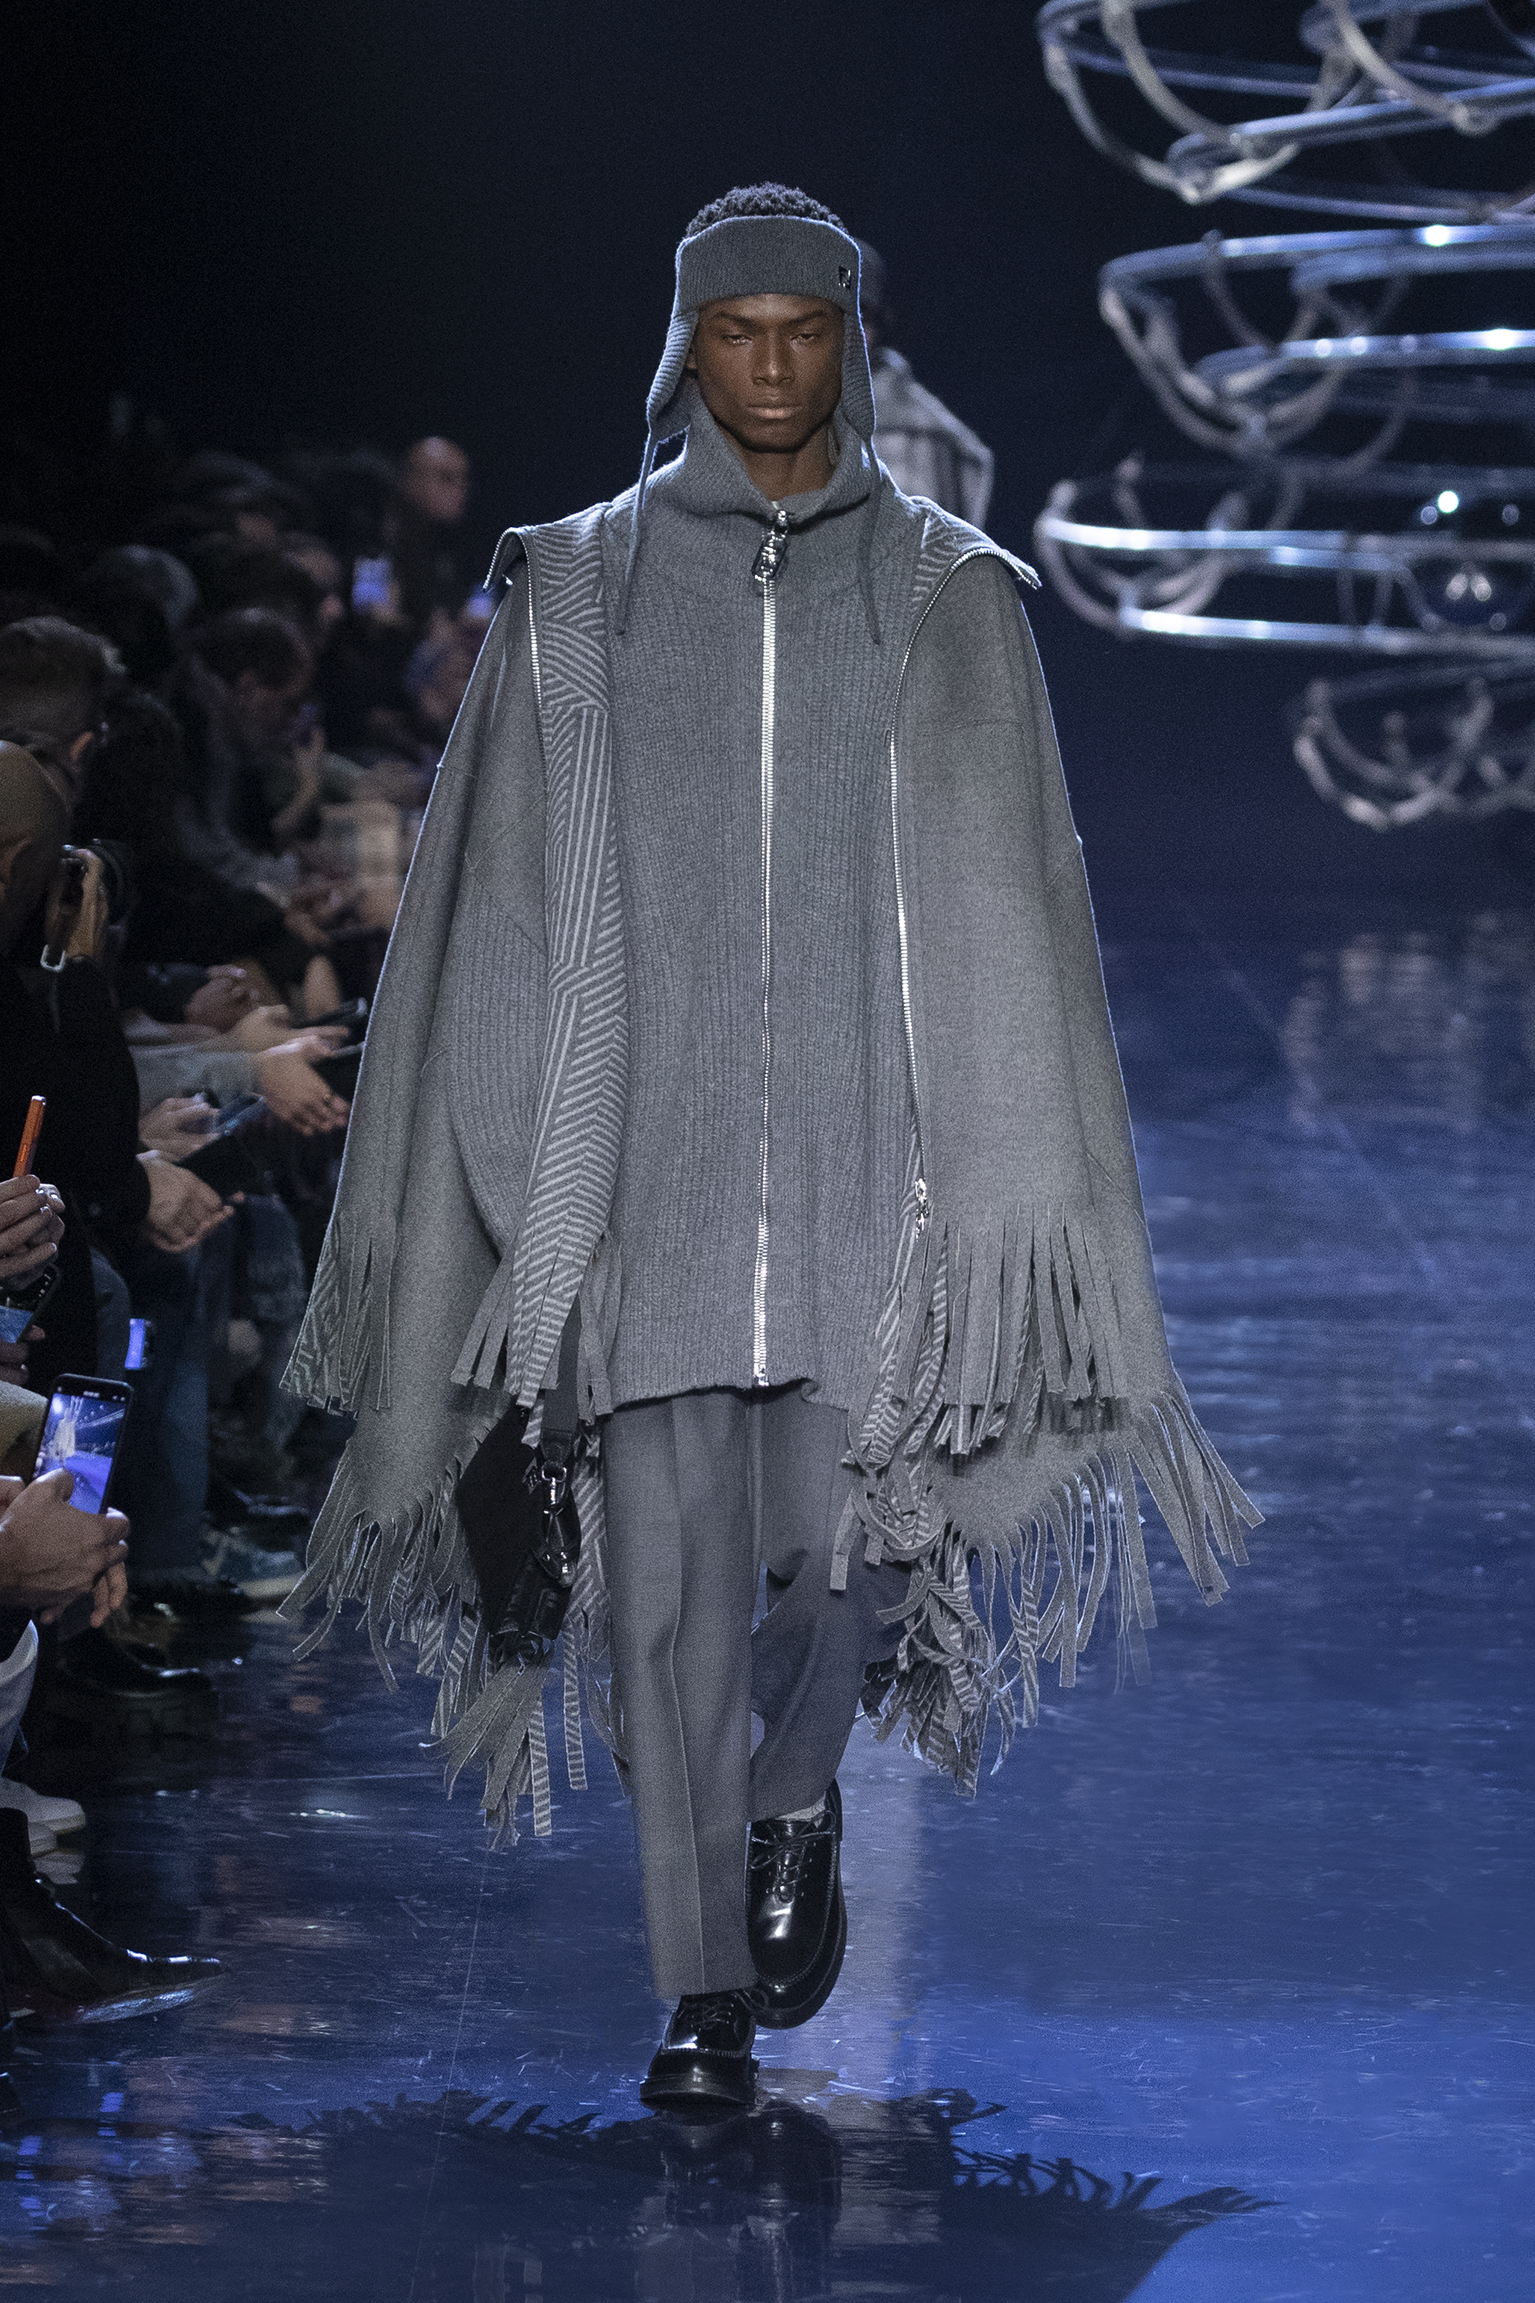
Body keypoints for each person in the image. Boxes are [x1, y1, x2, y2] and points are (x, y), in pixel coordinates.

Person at [283, 184, 1257, 2112]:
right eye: (738, 332)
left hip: (869, 1183)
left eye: (806, 330)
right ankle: (700, 1988)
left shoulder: (950, 592)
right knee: (655, 1604)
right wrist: (525, 1201)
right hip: (635, 1177)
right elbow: (496, 905)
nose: (775, 365)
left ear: (850, 346)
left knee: (844, 1568)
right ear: (687, 350)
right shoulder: (576, 589)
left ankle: (792, 1794)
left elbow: (1018, 915)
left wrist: (991, 1198)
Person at [856, 238, 994, 527]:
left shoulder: (915, 428)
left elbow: (913, 539)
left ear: (881, 321)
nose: (844, 333)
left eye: (859, 316)